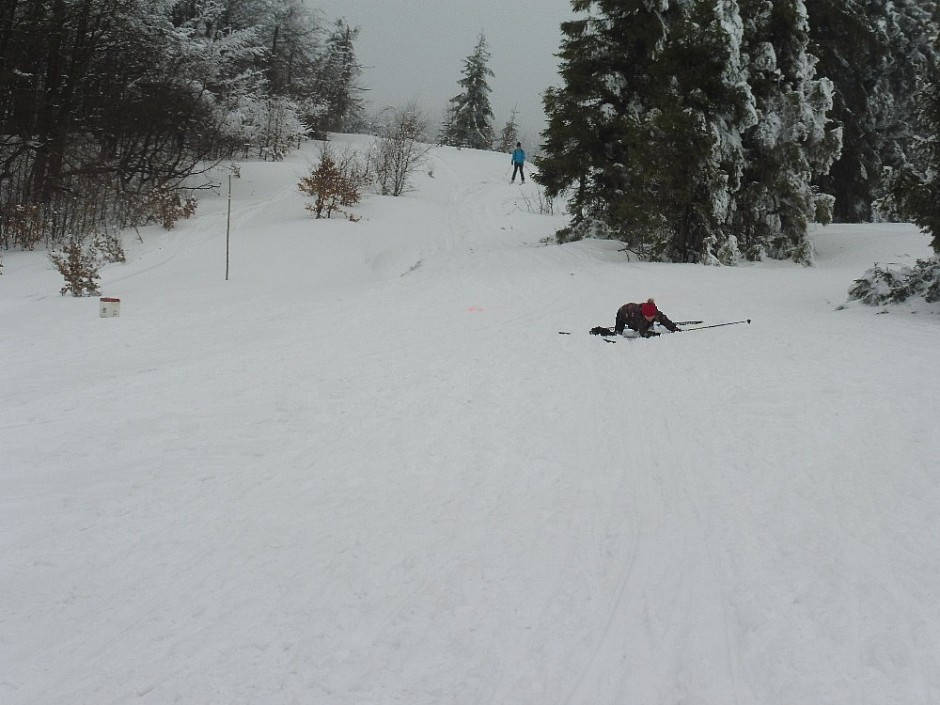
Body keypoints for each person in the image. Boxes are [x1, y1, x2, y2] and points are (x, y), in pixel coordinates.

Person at [614, 298, 681, 337]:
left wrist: (673, 328)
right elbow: (643, 333)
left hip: (635, 316)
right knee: (619, 332)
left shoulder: (655, 312)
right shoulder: (638, 315)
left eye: (651, 316)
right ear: (644, 314)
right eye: (647, 316)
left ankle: (644, 325)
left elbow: (664, 320)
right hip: (623, 314)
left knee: (645, 324)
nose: (650, 318)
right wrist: (656, 334)